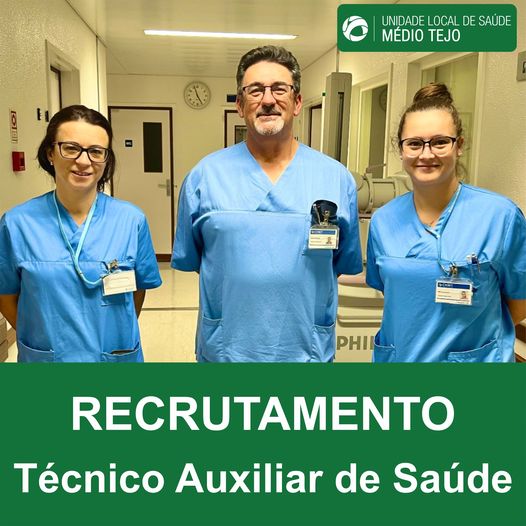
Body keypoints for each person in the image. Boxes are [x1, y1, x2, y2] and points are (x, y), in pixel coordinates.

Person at [171, 45, 362, 362]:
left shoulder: (336, 178)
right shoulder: (204, 177)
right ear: (240, 104)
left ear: (297, 102)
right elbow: (195, 262)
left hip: (305, 353)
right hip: (227, 352)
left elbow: (340, 264)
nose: (268, 99)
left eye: (279, 89)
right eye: (256, 90)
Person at [366, 83, 526, 362]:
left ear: (459, 146)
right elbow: (393, 293)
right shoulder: (383, 221)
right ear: (401, 150)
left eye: (440, 142)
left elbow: (520, 301)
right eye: (414, 143)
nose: (426, 154)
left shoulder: (500, 216)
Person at [0, 105, 162, 362]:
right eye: (71, 148)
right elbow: (6, 296)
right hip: (48, 362)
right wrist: (41, 336)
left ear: (106, 159)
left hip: (112, 359)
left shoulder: (131, 221)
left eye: (96, 151)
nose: (84, 161)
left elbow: (137, 293)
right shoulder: (17, 223)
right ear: (50, 153)